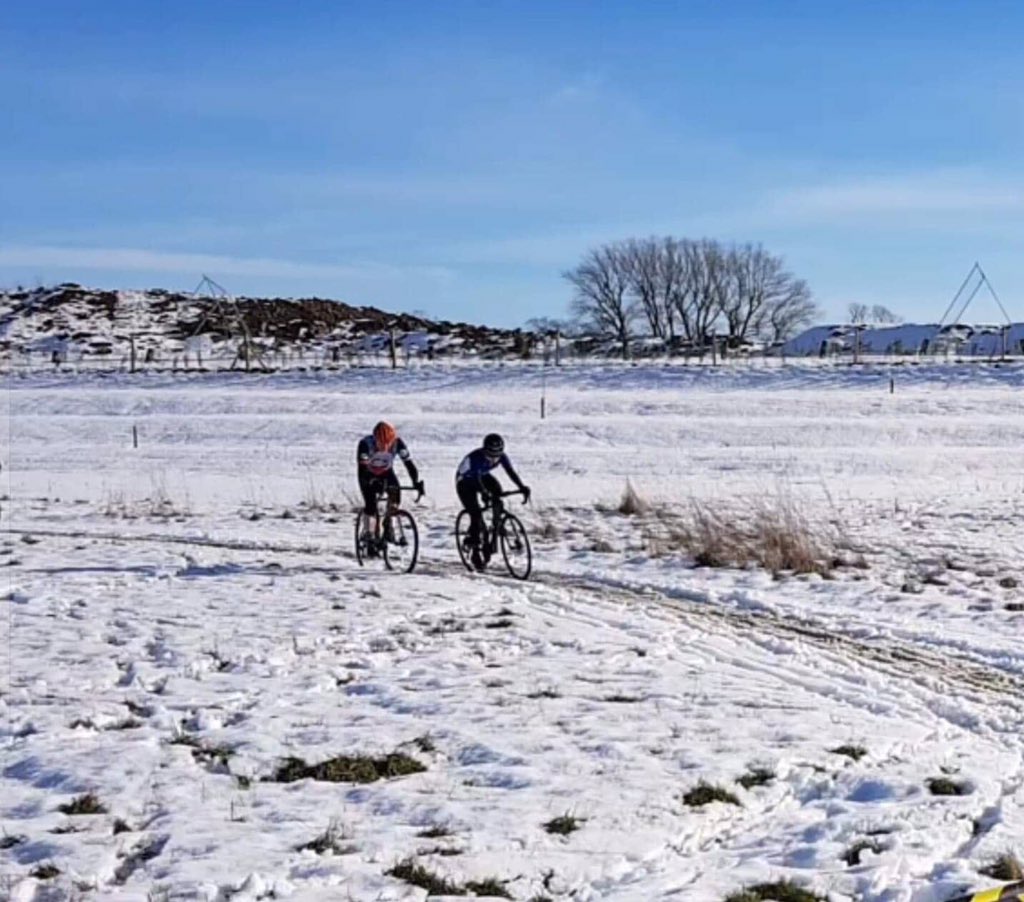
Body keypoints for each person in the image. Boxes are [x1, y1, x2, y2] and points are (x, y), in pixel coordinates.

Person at [455, 433, 530, 570]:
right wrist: (484, 493)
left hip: (483, 476)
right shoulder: (476, 458)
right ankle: (475, 549)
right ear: (484, 451)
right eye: (490, 455)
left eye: (496, 456)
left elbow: (511, 472)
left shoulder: (502, 457)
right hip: (465, 482)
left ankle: (496, 527)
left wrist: (522, 487)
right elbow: (476, 480)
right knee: (476, 515)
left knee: (497, 495)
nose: (493, 458)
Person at [357, 421, 423, 554]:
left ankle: (388, 524)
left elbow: (409, 464)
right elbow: (362, 469)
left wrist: (416, 482)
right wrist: (370, 481)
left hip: (386, 473)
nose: (384, 447)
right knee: (371, 506)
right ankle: (369, 533)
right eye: (380, 444)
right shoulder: (365, 444)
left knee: (395, 496)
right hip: (367, 473)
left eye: (388, 444)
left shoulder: (398, 443)